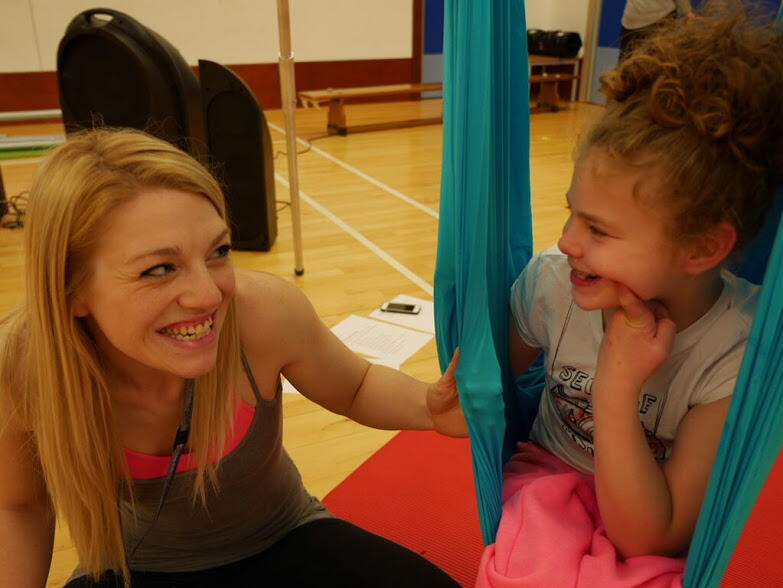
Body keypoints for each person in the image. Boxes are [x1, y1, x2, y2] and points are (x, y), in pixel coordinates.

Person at [0, 128, 467, 587]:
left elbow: (355, 386)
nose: (209, 295)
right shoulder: (24, 367)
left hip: (282, 539)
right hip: (135, 567)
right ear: (72, 290)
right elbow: (18, 507)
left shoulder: (262, 314)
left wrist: (427, 405)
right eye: (159, 269)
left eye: (218, 251)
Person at [479, 5, 783, 586]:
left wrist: (618, 384)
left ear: (699, 250)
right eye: (571, 213)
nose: (567, 242)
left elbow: (652, 534)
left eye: (598, 230)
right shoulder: (552, 284)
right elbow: (489, 386)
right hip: (551, 481)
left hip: (650, 515)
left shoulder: (735, 349)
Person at [619, 0, 694, 62]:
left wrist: (687, 12)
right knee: (660, 61)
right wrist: (687, 11)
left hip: (651, 16)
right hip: (658, 17)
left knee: (626, 59)